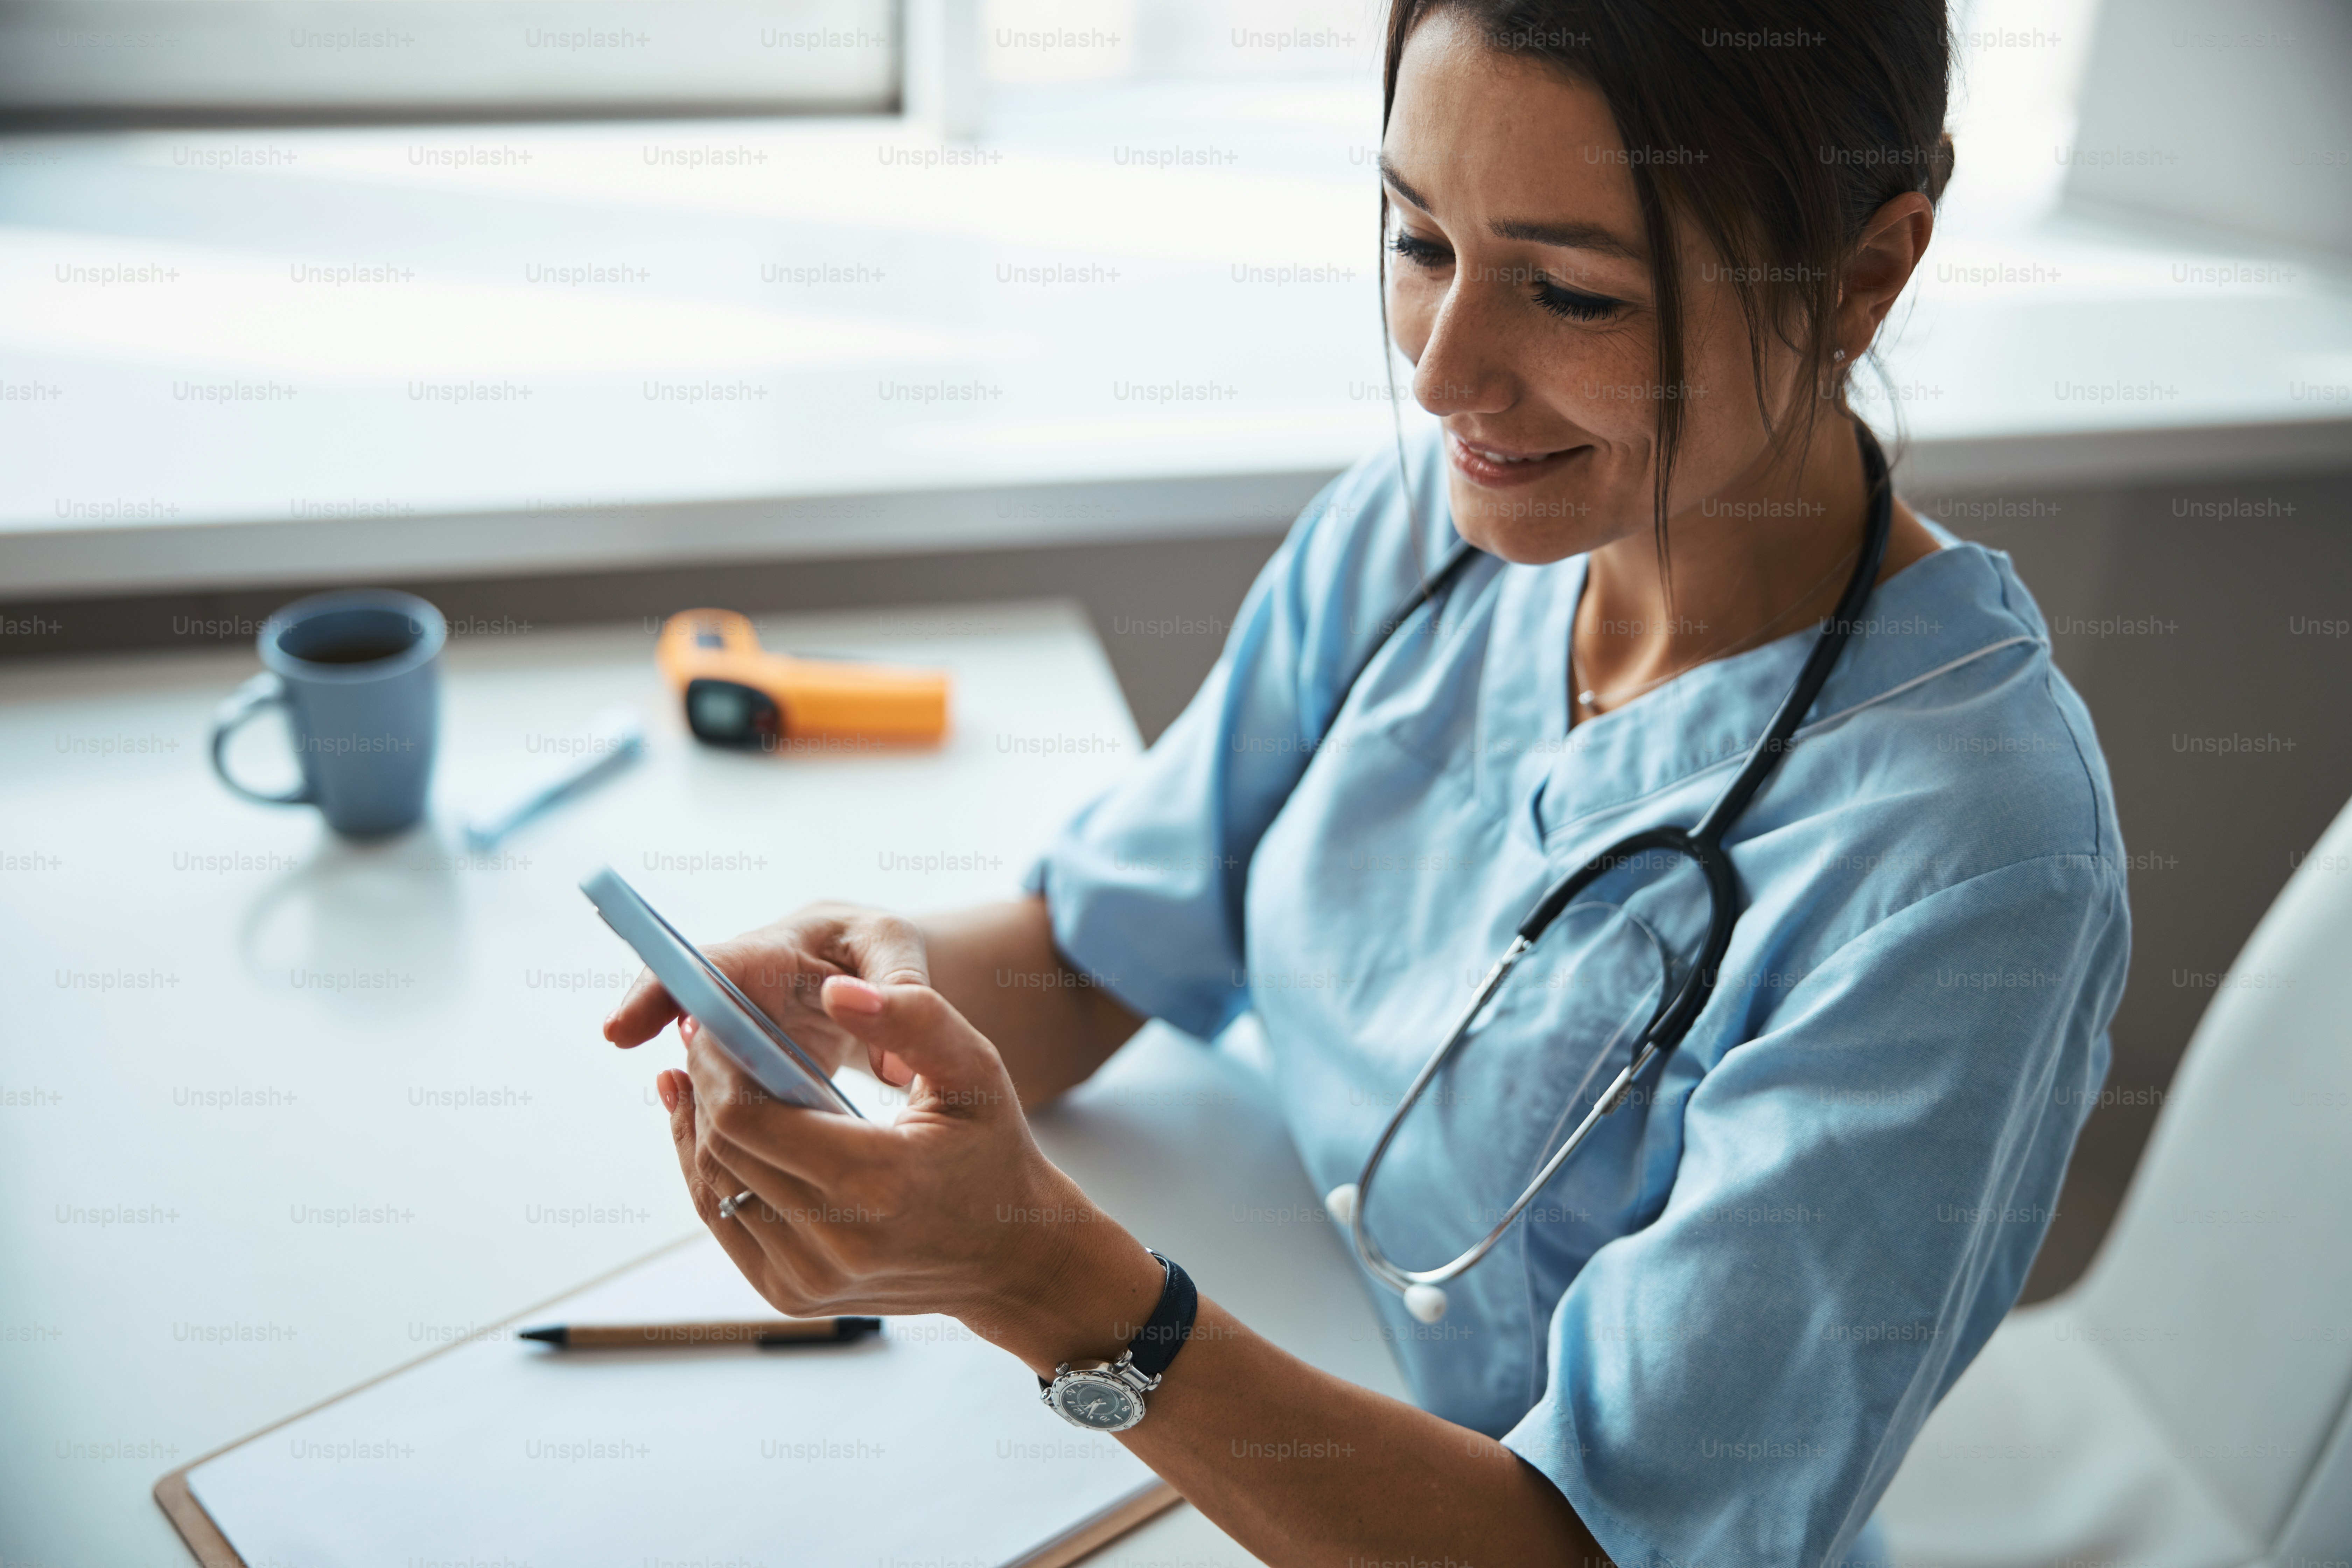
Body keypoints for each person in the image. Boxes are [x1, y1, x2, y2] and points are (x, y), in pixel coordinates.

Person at [605, 2, 2129, 1561]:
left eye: (1571, 293)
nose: (1446, 375)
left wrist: (1049, 1286)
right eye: (1418, 242)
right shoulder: (1428, 531)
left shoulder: (1972, 863)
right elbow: (1102, 947)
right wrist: (868, 1006)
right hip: (1247, 1371)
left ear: (1863, 273)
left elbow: (1597, 1544)